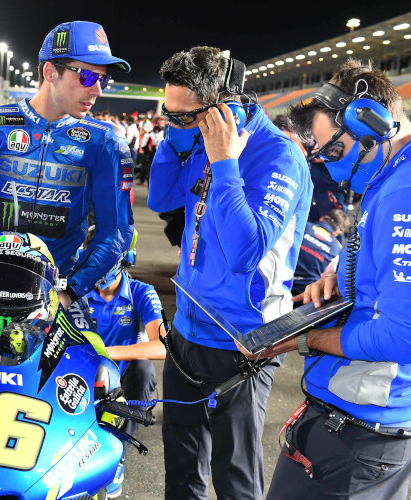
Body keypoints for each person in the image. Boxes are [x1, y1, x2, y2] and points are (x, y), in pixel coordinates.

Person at [148, 46, 312, 499]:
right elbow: (161, 198)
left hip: (242, 341)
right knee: (181, 473)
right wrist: (178, 140)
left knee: (235, 479)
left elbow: (245, 251)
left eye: (184, 117)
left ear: (224, 107)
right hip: (186, 330)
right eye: (169, 114)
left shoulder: (279, 157)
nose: (176, 123)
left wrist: (225, 165)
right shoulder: (198, 138)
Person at [257, 59, 411, 499]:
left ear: (374, 123)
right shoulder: (392, 175)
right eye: (322, 155)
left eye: (335, 152)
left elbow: (404, 336)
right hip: (358, 428)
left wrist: (306, 339)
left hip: (361, 438)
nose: (332, 169)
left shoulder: (403, 190)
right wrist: (338, 267)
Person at [0, 20, 134, 310]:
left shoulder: (104, 141)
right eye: (88, 77)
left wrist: (70, 292)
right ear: (51, 72)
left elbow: (116, 230)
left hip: (58, 295)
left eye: (103, 80)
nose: (98, 90)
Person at [86, 249, 165, 498]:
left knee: (144, 369)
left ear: (123, 262)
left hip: (122, 378)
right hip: (85, 373)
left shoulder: (142, 292)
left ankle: (118, 454)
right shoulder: (77, 289)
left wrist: (108, 352)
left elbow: (163, 345)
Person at [292, 208, 350, 296]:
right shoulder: (337, 248)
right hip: (305, 292)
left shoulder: (302, 225)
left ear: (322, 218)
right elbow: (327, 277)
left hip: (281, 278)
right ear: (337, 232)